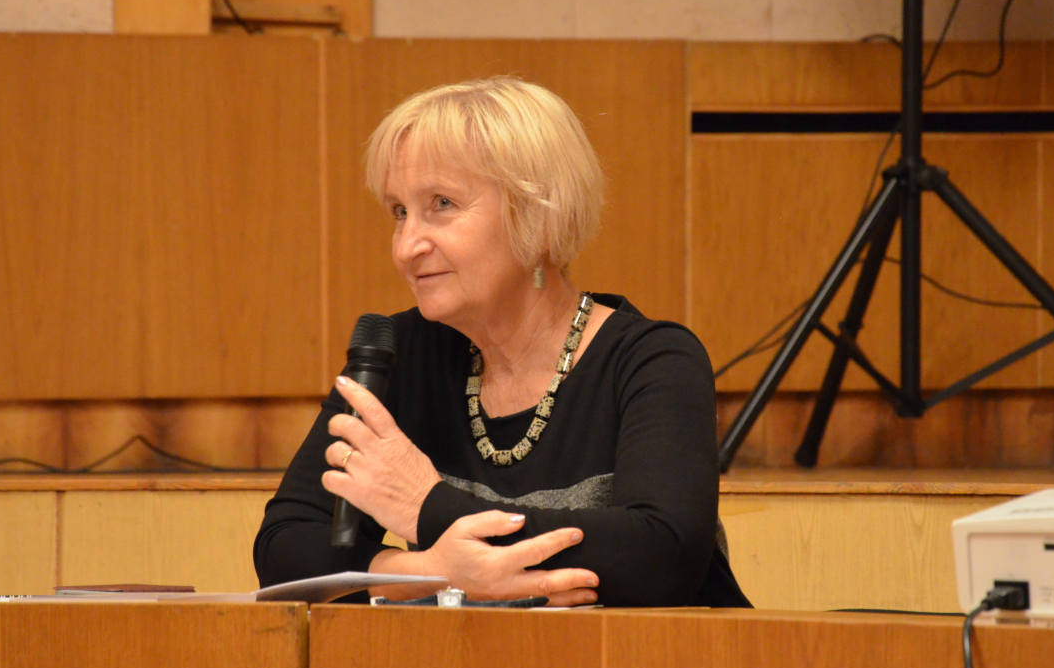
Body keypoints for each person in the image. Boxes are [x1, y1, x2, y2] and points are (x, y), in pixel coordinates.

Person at [254, 76, 749, 608]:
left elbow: (662, 556)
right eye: (399, 212)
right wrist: (430, 573)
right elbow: (284, 545)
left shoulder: (654, 360)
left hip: (666, 658)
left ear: (537, 216)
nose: (405, 247)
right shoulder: (402, 354)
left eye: (442, 203)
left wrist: (427, 506)